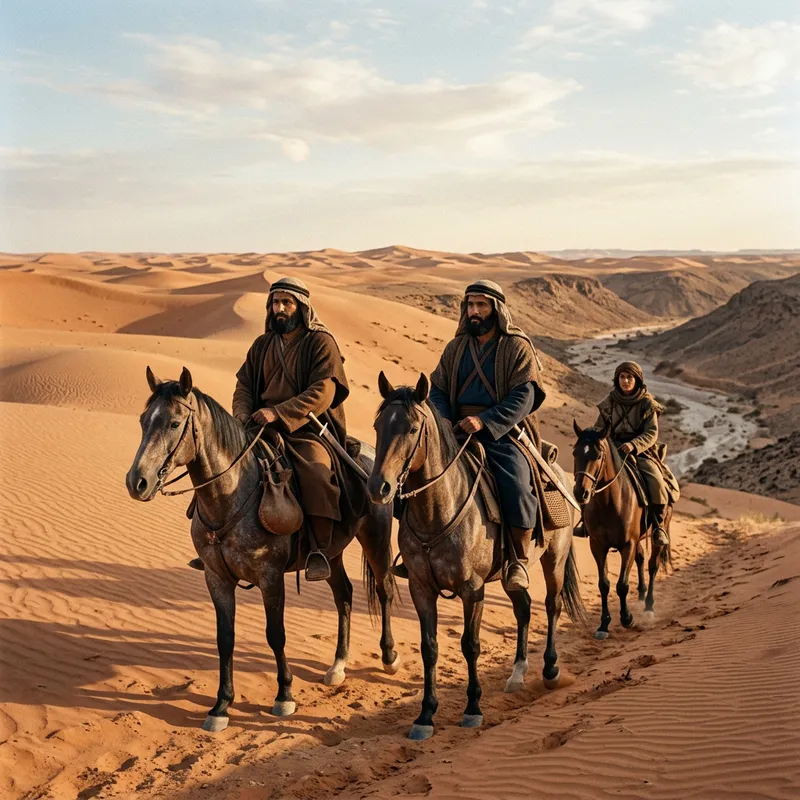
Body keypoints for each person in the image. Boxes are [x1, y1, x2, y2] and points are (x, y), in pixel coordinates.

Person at [189, 276, 364, 581]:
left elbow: (324, 391)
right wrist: (242, 415)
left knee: (317, 473)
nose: (279, 308)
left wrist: (280, 412)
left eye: (287, 302)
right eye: (274, 302)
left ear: (302, 307)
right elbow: (244, 384)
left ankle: (319, 551)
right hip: (259, 426)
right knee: (220, 467)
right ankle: (216, 545)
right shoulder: (263, 344)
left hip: (307, 428)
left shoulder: (321, 342)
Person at [418, 279, 546, 592]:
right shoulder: (456, 347)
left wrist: (485, 421)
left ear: (496, 309)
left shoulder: (516, 347)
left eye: (481, 305)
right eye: (470, 305)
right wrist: (444, 422)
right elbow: (438, 390)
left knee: (516, 482)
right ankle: (414, 552)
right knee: (415, 476)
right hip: (455, 431)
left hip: (501, 432)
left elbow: (525, 395)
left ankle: (517, 558)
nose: (475, 311)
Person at [574, 361, 679, 546]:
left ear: (637, 380)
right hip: (611, 449)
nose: (625, 381)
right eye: (622, 377)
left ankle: (658, 526)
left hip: (640, 451)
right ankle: (585, 520)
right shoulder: (610, 401)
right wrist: (591, 436)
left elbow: (652, 433)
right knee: (588, 476)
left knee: (656, 480)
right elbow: (600, 427)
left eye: (629, 377)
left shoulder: (647, 403)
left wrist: (634, 444)